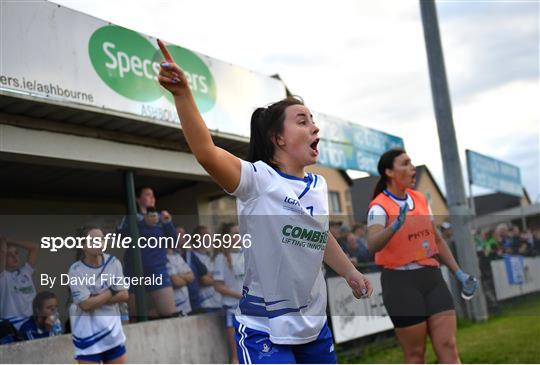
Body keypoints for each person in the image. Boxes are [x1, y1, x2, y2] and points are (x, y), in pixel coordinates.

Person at [158, 60, 372, 364]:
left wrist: (350, 271)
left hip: (314, 326)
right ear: (279, 139)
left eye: (312, 120)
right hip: (264, 329)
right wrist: (182, 95)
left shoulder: (319, 186)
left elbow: (319, 237)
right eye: (302, 121)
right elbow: (206, 152)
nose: (314, 126)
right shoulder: (257, 180)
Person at [366, 148, 478, 363]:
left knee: (448, 345)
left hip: (431, 278)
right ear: (389, 171)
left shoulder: (420, 199)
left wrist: (459, 273)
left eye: (412, 162)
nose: (412, 167)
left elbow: (436, 239)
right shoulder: (379, 206)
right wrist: (393, 227)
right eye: (405, 163)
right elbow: (372, 245)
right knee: (416, 354)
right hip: (400, 283)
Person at [68, 225, 129, 364]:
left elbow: (124, 295)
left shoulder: (114, 262)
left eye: (101, 239)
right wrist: (112, 291)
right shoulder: (75, 270)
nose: (99, 243)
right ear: (83, 245)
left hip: (113, 334)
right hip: (87, 338)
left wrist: (95, 298)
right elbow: (85, 305)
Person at [119, 203, 176, 320]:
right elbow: (120, 238)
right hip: (134, 271)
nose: (152, 198)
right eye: (148, 194)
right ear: (138, 199)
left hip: (157, 270)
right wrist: (142, 223)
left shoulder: (160, 217)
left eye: (153, 195)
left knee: (169, 313)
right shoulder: (131, 218)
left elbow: (174, 241)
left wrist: (168, 223)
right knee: (136, 316)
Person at [213, 223, 245, 364]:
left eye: (240, 232)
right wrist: (240, 296)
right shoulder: (221, 258)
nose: (238, 236)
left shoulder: (246, 253)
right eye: (235, 233)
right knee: (236, 356)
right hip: (232, 310)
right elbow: (218, 286)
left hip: (249, 309)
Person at [0, 235, 38, 330]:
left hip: (31, 324)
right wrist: (3, 242)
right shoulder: (3, 276)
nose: (14, 257)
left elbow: (35, 247)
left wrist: (10, 240)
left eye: (16, 253)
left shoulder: (26, 272)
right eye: (9, 255)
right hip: (12, 328)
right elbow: (2, 251)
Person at [191, 225, 221, 313]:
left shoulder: (211, 257)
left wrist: (211, 275)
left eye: (209, 235)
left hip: (219, 302)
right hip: (205, 304)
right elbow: (203, 280)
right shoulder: (193, 257)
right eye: (205, 235)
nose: (209, 238)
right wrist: (219, 280)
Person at [166, 242, 194, 316]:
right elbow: (176, 282)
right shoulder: (164, 258)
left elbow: (192, 276)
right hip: (176, 306)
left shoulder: (177, 256)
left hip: (187, 306)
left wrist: (179, 275)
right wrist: (186, 278)